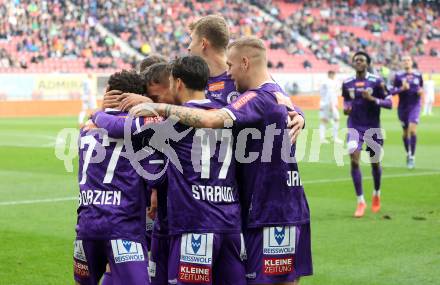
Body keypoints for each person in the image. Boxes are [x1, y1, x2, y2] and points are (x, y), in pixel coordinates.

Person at [130, 37, 312, 285]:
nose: (229, 72)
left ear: (245, 62)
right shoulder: (272, 94)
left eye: (232, 65)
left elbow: (210, 119)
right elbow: (279, 105)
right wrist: (299, 114)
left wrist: (159, 108)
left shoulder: (259, 96)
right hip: (251, 212)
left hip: (273, 211)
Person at [93, 56, 247, 285]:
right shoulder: (223, 114)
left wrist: (96, 113)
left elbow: (119, 127)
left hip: (194, 222)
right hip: (231, 224)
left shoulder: (173, 121)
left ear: (178, 83)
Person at [74, 70, 150, 285]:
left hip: (87, 224)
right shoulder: (142, 129)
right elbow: (155, 178)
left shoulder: (86, 130)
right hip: (123, 226)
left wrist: (97, 111)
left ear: (107, 91)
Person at [342, 51, 392, 218]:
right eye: (356, 60)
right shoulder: (347, 82)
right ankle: (360, 201)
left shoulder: (377, 81)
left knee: (375, 164)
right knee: (354, 160)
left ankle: (376, 193)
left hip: (373, 128)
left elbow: (389, 102)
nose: (358, 62)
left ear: (367, 63)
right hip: (354, 127)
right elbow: (346, 100)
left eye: (361, 60)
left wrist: (373, 100)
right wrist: (346, 107)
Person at [188, 15, 239, 106]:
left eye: (191, 40)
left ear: (203, 43)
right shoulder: (190, 80)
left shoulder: (240, 80)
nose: (189, 48)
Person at [391, 55, 424, 169]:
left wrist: (420, 92)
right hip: (403, 108)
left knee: (412, 130)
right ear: (401, 63)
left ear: (411, 62)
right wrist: (402, 89)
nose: (406, 62)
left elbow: (421, 88)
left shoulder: (418, 75)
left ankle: (412, 156)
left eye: (408, 60)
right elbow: (392, 91)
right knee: (405, 133)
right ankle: (407, 153)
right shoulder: (398, 76)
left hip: (415, 106)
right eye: (404, 60)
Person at [319, 70, 342, 144]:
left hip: (323, 103)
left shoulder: (324, 82)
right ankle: (335, 138)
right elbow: (330, 94)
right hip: (329, 104)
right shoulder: (331, 83)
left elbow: (322, 93)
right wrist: (332, 105)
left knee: (324, 121)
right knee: (336, 119)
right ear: (332, 75)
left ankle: (322, 138)